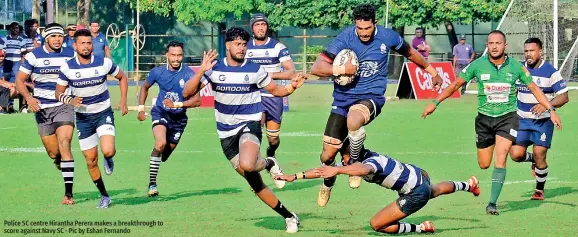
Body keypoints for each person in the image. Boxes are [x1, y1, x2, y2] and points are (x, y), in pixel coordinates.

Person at [309, 3, 443, 206]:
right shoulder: (345, 37)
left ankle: (354, 162)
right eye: (360, 28)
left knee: (354, 120)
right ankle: (328, 183)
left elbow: (411, 53)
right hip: (342, 100)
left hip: (371, 97)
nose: (363, 33)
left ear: (375, 23)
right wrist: (342, 68)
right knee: (327, 155)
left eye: (368, 28)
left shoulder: (387, 36)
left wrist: (431, 71)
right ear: (355, 25)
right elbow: (317, 67)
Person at [422, 30, 563, 215]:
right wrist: (435, 102)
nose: (494, 46)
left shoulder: (516, 67)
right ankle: (531, 159)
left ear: (505, 46)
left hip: (507, 119)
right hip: (484, 120)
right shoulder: (477, 65)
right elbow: (456, 84)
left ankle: (492, 204)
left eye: (498, 43)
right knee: (484, 164)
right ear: (487, 46)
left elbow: (534, 88)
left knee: (501, 158)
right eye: (490, 43)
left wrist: (550, 109)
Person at [182, 27, 306, 233]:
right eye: (238, 44)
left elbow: (277, 90)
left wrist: (292, 86)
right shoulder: (214, 68)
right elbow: (187, 92)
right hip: (225, 133)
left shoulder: (255, 69)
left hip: (249, 124)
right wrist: (202, 71)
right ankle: (289, 215)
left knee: (248, 164)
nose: (242, 48)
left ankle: (266, 162)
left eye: (244, 44)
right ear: (228, 45)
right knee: (255, 184)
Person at [275, 146, 480, 234]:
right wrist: (295, 176)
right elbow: (324, 170)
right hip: (419, 176)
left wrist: (338, 169)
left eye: (345, 158)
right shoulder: (359, 159)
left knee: (377, 224)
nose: (342, 162)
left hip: (415, 192)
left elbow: (363, 169)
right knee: (433, 189)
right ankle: (468, 185)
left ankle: (421, 228)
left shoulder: (369, 162)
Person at [55, 29, 129, 208]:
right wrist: (70, 100)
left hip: (103, 113)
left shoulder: (104, 63)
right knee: (90, 160)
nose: (86, 46)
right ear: (75, 45)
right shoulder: (67, 66)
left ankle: (109, 158)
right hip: (83, 119)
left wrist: (124, 101)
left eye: (89, 43)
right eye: (82, 43)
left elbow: (122, 77)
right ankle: (104, 195)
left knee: (108, 150)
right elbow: (58, 92)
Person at [15, 23, 77, 204]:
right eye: (54, 36)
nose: (58, 39)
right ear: (46, 38)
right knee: (53, 153)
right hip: (42, 109)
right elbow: (19, 81)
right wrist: (29, 98)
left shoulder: (70, 54)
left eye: (61, 36)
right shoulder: (34, 56)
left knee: (65, 144)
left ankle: (68, 194)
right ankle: (59, 160)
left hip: (64, 105)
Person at [137, 41, 201, 197]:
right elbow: (144, 87)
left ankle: (157, 159)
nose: (176, 58)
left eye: (179, 55)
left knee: (164, 156)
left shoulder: (189, 74)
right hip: (160, 112)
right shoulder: (157, 72)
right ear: (167, 55)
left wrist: (177, 104)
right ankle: (152, 184)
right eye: (173, 55)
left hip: (179, 119)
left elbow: (197, 101)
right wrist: (140, 108)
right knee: (160, 143)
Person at [509, 38, 569, 200]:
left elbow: (564, 97)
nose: (528, 54)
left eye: (532, 51)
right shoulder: (519, 69)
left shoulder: (550, 71)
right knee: (515, 154)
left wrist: (546, 105)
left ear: (540, 52)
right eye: (526, 51)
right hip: (521, 120)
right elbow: (513, 91)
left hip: (542, 122)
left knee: (539, 152)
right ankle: (532, 160)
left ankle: (539, 190)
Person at [245, 13, 296, 189]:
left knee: (273, 139)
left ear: (267, 27)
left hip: (274, 96)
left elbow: (290, 72)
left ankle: (271, 155)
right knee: (255, 136)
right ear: (252, 28)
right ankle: (255, 175)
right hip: (254, 97)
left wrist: (268, 75)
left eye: (263, 25)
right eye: (257, 25)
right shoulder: (245, 47)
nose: (260, 28)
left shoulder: (277, 47)